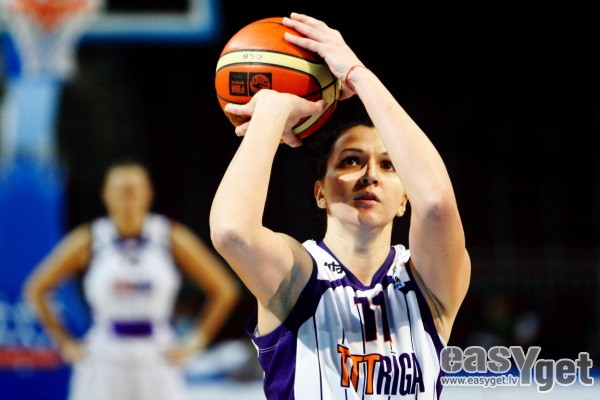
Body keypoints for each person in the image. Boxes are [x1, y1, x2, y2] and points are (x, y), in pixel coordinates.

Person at [209, 12, 471, 400]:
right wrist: (271, 112)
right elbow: (231, 232)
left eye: (388, 165)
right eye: (350, 161)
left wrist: (358, 75)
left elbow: (436, 205)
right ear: (320, 193)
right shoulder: (298, 276)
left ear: (405, 199)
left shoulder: (429, 284)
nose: (370, 174)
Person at [24, 160, 240, 400]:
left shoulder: (170, 237)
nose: (127, 200)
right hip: (104, 356)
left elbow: (224, 289)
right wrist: (65, 343)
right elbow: (36, 289)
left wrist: (196, 341)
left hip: (157, 355)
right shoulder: (90, 239)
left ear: (148, 193)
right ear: (106, 194)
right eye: (120, 192)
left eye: (134, 191)